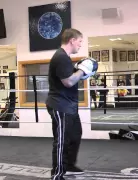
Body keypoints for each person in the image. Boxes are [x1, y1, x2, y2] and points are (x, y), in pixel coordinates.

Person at [46, 28, 98, 180]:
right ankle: (57, 174)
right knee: (62, 140)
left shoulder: (66, 58)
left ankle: (68, 164)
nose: (81, 45)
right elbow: (68, 82)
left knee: (75, 135)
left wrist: (79, 72)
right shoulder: (61, 57)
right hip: (60, 105)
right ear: (72, 40)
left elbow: (70, 77)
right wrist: (82, 71)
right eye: (80, 41)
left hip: (69, 106)